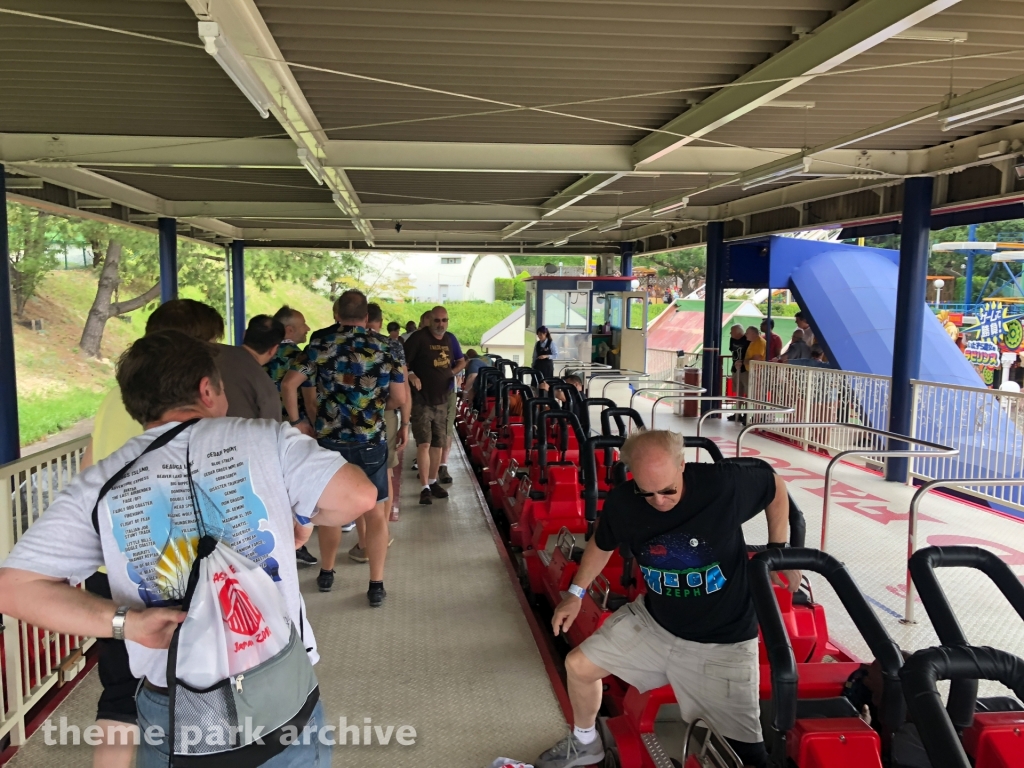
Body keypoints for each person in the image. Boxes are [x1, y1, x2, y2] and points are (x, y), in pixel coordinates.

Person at [0, 330, 378, 768]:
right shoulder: (267, 439)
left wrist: (126, 624)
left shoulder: (101, 481)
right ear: (207, 390)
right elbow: (359, 496)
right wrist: (299, 516)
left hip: (176, 709)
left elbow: (14, 587)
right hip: (278, 691)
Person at [538, 430, 797, 768]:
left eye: (668, 490)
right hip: (655, 623)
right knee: (578, 666)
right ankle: (586, 744)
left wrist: (779, 549)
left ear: (682, 464)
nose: (659, 501)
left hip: (723, 641)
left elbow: (774, 485)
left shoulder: (722, 485)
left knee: (746, 757)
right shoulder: (624, 501)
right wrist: (576, 593)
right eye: (648, 492)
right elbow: (602, 543)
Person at [79, 299, 224, 768]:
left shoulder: (115, 398)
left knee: (120, 696)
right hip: (168, 570)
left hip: (108, 565)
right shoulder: (191, 415)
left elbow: (89, 469)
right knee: (202, 689)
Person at [284, 290, 405, 606]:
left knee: (331, 510)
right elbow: (400, 398)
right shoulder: (387, 348)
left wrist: (298, 422)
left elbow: (289, 383)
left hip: (330, 442)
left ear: (336, 314)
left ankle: (326, 573)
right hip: (370, 441)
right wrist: (373, 407)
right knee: (375, 513)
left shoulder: (320, 345)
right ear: (366, 317)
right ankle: (376, 585)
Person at [404, 305, 465, 504]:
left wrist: (450, 373)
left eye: (444, 320)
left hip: (442, 399)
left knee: (439, 443)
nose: (441, 324)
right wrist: (411, 374)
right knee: (424, 443)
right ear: (430, 320)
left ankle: (433, 481)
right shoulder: (418, 338)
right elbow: (402, 362)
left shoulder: (449, 339)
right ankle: (424, 487)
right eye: (437, 320)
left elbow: (461, 361)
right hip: (422, 400)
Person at [361, 302, 409, 543]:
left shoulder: (343, 343)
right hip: (386, 412)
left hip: (350, 417)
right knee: (385, 471)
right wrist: (405, 423)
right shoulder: (392, 346)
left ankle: (364, 539)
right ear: (380, 322)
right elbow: (402, 391)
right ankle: (382, 533)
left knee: (358, 474)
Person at [217, 315, 285, 420]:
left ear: (244, 334)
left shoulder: (211, 352)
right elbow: (272, 428)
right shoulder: (266, 388)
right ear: (274, 349)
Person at [266, 306, 318, 437]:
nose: (308, 328)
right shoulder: (303, 358)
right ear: (289, 330)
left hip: (265, 427)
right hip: (298, 430)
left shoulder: (261, 355)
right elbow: (311, 403)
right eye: (303, 324)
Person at [738, 326, 765, 399]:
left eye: (747, 333)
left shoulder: (759, 342)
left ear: (753, 334)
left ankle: (756, 406)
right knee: (752, 393)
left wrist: (743, 362)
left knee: (756, 393)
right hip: (753, 371)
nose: (745, 334)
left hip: (757, 371)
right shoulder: (754, 342)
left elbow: (757, 359)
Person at [727, 324, 749, 415]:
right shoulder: (732, 339)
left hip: (746, 370)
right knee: (738, 391)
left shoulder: (747, 339)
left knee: (747, 391)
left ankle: (746, 413)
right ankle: (737, 412)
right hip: (735, 368)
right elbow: (732, 350)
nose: (730, 333)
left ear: (738, 332)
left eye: (732, 331)